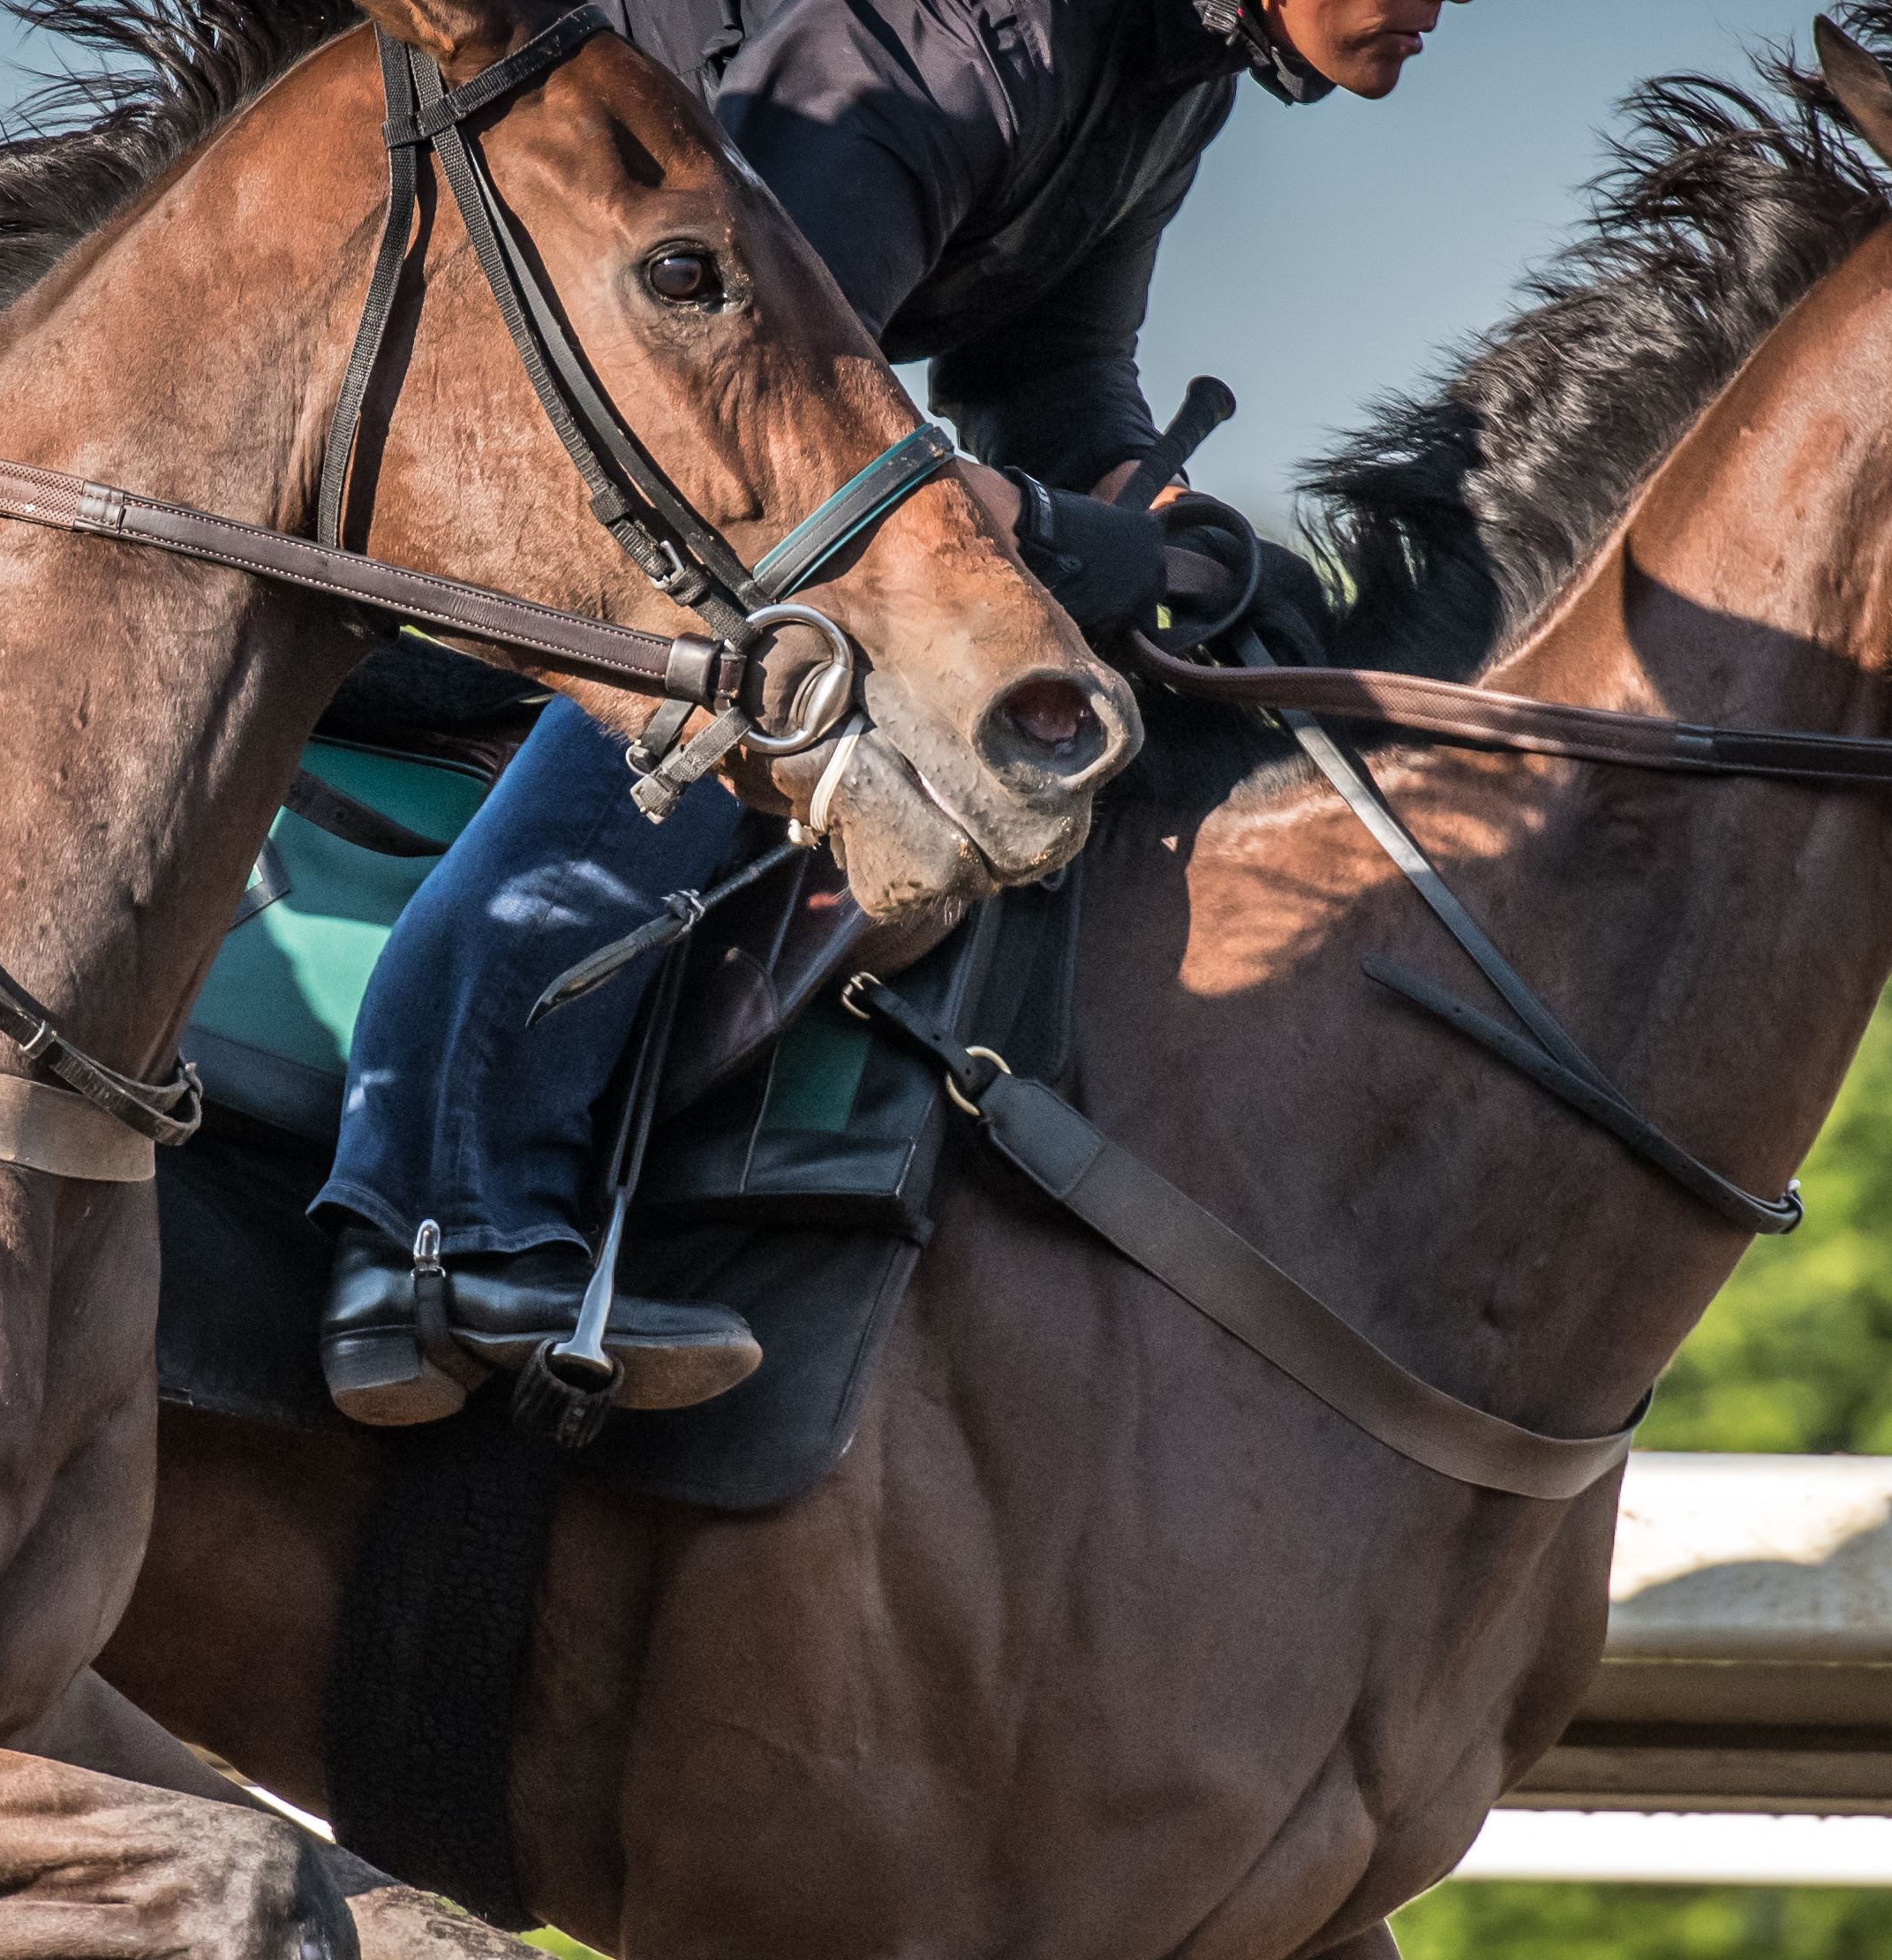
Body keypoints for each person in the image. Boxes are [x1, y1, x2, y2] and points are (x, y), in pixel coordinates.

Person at [313, 0, 1469, 1424]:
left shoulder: (1171, 79)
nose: (1444, 8)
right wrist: (1069, 534)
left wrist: (1141, 508)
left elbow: (1046, 371)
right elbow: (758, 396)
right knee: (769, 670)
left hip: (676, 401)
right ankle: (432, 1226)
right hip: (445, 356)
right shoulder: (957, 43)